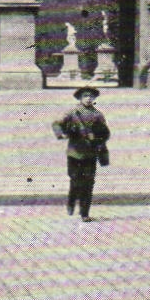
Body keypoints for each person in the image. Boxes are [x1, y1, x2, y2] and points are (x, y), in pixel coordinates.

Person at [53, 87, 110, 221]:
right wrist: (60, 134)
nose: (88, 99)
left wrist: (97, 139)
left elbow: (105, 133)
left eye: (91, 96)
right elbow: (57, 123)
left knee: (88, 183)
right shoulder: (73, 113)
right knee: (76, 181)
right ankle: (71, 201)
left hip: (90, 153)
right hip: (75, 153)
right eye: (85, 96)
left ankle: (85, 213)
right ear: (80, 98)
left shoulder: (98, 115)